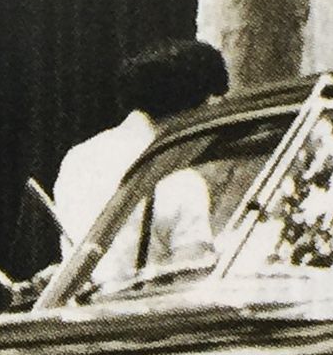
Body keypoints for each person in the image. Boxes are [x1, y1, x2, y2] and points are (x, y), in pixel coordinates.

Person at [52, 37, 230, 265]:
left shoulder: (77, 158)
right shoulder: (180, 181)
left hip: (84, 300)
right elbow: (190, 280)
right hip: (147, 299)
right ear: (202, 105)